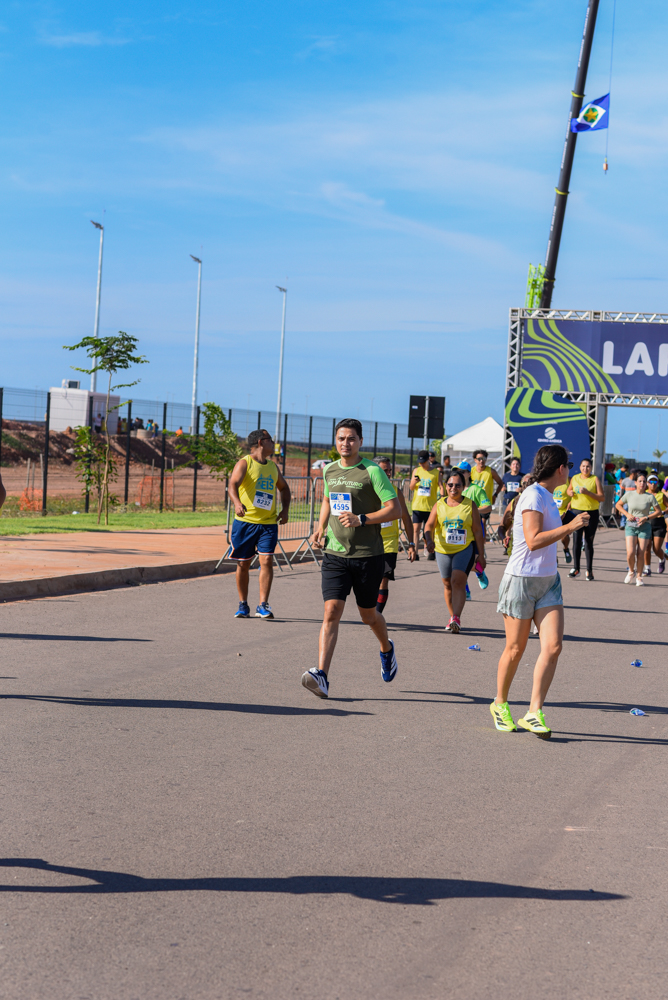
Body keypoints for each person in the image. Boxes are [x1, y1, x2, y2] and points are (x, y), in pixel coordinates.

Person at [490, 445, 590, 739]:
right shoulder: (533, 495)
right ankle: (499, 703)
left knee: (554, 646)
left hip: (548, 582)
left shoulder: (548, 496)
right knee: (515, 649)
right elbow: (533, 540)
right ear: (560, 469)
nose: (570, 470)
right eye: (569, 466)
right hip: (521, 580)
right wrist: (570, 526)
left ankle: (534, 712)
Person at [302, 419, 401, 699]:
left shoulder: (372, 471)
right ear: (335, 440)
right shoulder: (329, 470)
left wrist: (362, 519)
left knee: (368, 615)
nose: (345, 443)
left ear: (360, 441)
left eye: (351, 439)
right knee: (331, 611)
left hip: (368, 555)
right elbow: (327, 500)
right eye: (341, 438)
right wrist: (320, 527)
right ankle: (322, 676)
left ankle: (386, 648)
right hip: (335, 553)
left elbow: (394, 509)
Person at [228, 429, 291, 618]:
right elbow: (232, 485)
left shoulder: (272, 467)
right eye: (271, 440)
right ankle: (243, 604)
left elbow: (284, 488)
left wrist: (285, 510)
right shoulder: (245, 463)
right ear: (261, 442)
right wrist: (237, 503)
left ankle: (263, 605)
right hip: (245, 523)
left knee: (267, 561)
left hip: (268, 524)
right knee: (243, 564)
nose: (274, 443)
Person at [425, 469, 485, 634]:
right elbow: (429, 525)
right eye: (450, 485)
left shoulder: (470, 505)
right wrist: (428, 540)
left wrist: (481, 554)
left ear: (463, 487)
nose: (453, 488)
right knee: (447, 583)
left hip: (464, 548)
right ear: (446, 486)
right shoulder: (439, 504)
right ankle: (452, 618)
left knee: (458, 580)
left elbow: (477, 531)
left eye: (457, 485)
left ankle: (456, 617)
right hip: (442, 549)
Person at [373, 456, 416, 614]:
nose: (389, 473)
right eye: (385, 470)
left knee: (384, 580)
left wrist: (411, 544)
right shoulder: (366, 490)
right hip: (369, 542)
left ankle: (377, 615)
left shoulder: (395, 492)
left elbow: (406, 518)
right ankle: (370, 612)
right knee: (369, 582)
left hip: (389, 544)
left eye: (390, 470)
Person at [615, 472, 662, 585]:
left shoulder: (650, 497)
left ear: (646, 484)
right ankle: (631, 571)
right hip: (631, 526)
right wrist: (627, 514)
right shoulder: (629, 495)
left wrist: (646, 517)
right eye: (640, 481)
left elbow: (658, 511)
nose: (642, 483)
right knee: (630, 553)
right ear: (635, 483)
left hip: (644, 527)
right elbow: (618, 505)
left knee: (641, 553)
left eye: (644, 481)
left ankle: (639, 577)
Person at [565, 458, 605, 581]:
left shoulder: (594, 479)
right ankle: (576, 568)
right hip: (577, 512)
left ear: (591, 468)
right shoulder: (575, 478)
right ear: (580, 467)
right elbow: (568, 489)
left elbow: (602, 497)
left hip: (591, 512)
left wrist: (588, 493)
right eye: (583, 466)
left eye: (588, 466)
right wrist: (570, 492)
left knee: (588, 541)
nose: (585, 469)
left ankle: (589, 570)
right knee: (576, 541)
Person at [457, 461, 491, 592]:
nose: (459, 474)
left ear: (469, 473)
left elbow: (487, 506)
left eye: (462, 471)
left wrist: (474, 510)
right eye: (457, 471)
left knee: (473, 561)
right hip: (458, 529)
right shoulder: (454, 489)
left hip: (473, 529)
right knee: (459, 562)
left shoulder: (476, 489)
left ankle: (479, 572)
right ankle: (464, 590)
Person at [409, 450, 440, 561]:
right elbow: (411, 487)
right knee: (416, 530)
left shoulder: (436, 472)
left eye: (423, 462)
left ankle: (431, 551)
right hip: (417, 505)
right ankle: (415, 553)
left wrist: (442, 496)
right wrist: (414, 482)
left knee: (429, 531)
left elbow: (441, 486)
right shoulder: (416, 471)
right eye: (420, 462)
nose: (421, 464)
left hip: (430, 507)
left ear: (428, 460)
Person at [470, 449, 504, 538]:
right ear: (475, 460)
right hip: (473, 502)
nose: (481, 461)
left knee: (483, 523)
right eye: (479, 459)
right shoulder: (471, 471)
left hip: (485, 502)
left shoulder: (491, 471)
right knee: (472, 523)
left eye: (484, 458)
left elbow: (501, 483)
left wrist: (495, 495)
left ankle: (482, 543)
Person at [644, 475, 667, 575]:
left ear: (658, 483)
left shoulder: (661, 495)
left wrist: (663, 511)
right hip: (647, 523)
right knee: (647, 547)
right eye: (651, 482)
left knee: (656, 549)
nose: (653, 484)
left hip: (659, 524)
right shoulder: (644, 494)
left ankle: (662, 559)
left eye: (655, 482)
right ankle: (647, 569)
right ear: (647, 483)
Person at [552, 470, 572, 564]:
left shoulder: (569, 480)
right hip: (552, 511)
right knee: (552, 536)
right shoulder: (551, 480)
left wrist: (570, 503)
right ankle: (554, 557)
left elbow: (574, 494)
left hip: (563, 511)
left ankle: (566, 548)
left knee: (564, 535)